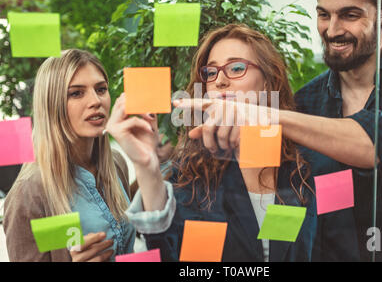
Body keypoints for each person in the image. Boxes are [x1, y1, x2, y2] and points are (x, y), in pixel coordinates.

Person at [175, 0, 382, 262]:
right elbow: (294, 204)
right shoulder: (306, 104)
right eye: (323, 14)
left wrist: (260, 114)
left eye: (349, 14)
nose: (332, 30)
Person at [108, 24, 317, 262]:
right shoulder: (191, 173)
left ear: (268, 83)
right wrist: (147, 166)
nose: (220, 81)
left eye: (236, 68)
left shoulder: (302, 168)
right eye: (210, 73)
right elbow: (168, 253)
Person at [4, 49, 136, 262]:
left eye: (101, 89)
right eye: (76, 93)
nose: (95, 101)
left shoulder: (116, 164)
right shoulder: (30, 193)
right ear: (52, 105)